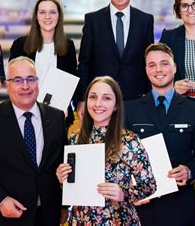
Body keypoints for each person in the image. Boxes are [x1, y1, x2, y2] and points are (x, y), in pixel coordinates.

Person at [0, 56, 67, 225]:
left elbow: (62, 166)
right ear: (7, 84)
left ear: (37, 81)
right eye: (18, 80)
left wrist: (64, 205)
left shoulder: (56, 117)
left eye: (30, 79)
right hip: (6, 218)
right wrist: (1, 200)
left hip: (48, 216)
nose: (25, 86)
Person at [124, 43, 195, 226]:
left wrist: (189, 170)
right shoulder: (130, 109)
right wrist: (128, 188)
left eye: (164, 63)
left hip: (179, 205)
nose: (158, 70)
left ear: (174, 67)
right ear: (146, 70)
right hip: (140, 206)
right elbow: (120, 157)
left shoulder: (193, 108)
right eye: (152, 64)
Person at [57, 76, 156, 225]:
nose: (98, 103)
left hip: (118, 220)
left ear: (116, 105)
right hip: (81, 220)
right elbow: (72, 187)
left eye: (106, 98)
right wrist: (62, 179)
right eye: (93, 97)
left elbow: (149, 186)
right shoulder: (74, 139)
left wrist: (124, 193)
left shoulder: (129, 141)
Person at [77, 0, 154, 118]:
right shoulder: (93, 20)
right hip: (101, 101)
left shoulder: (145, 20)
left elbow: (148, 62)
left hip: (136, 99)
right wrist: (81, 99)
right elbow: (84, 62)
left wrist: (150, 98)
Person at [10, 0, 78, 126]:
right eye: (42, 12)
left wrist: (64, 103)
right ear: (36, 16)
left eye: (52, 12)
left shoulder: (68, 45)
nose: (48, 17)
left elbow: (71, 79)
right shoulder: (20, 44)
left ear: (59, 16)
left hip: (59, 113)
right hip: (26, 112)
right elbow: (14, 80)